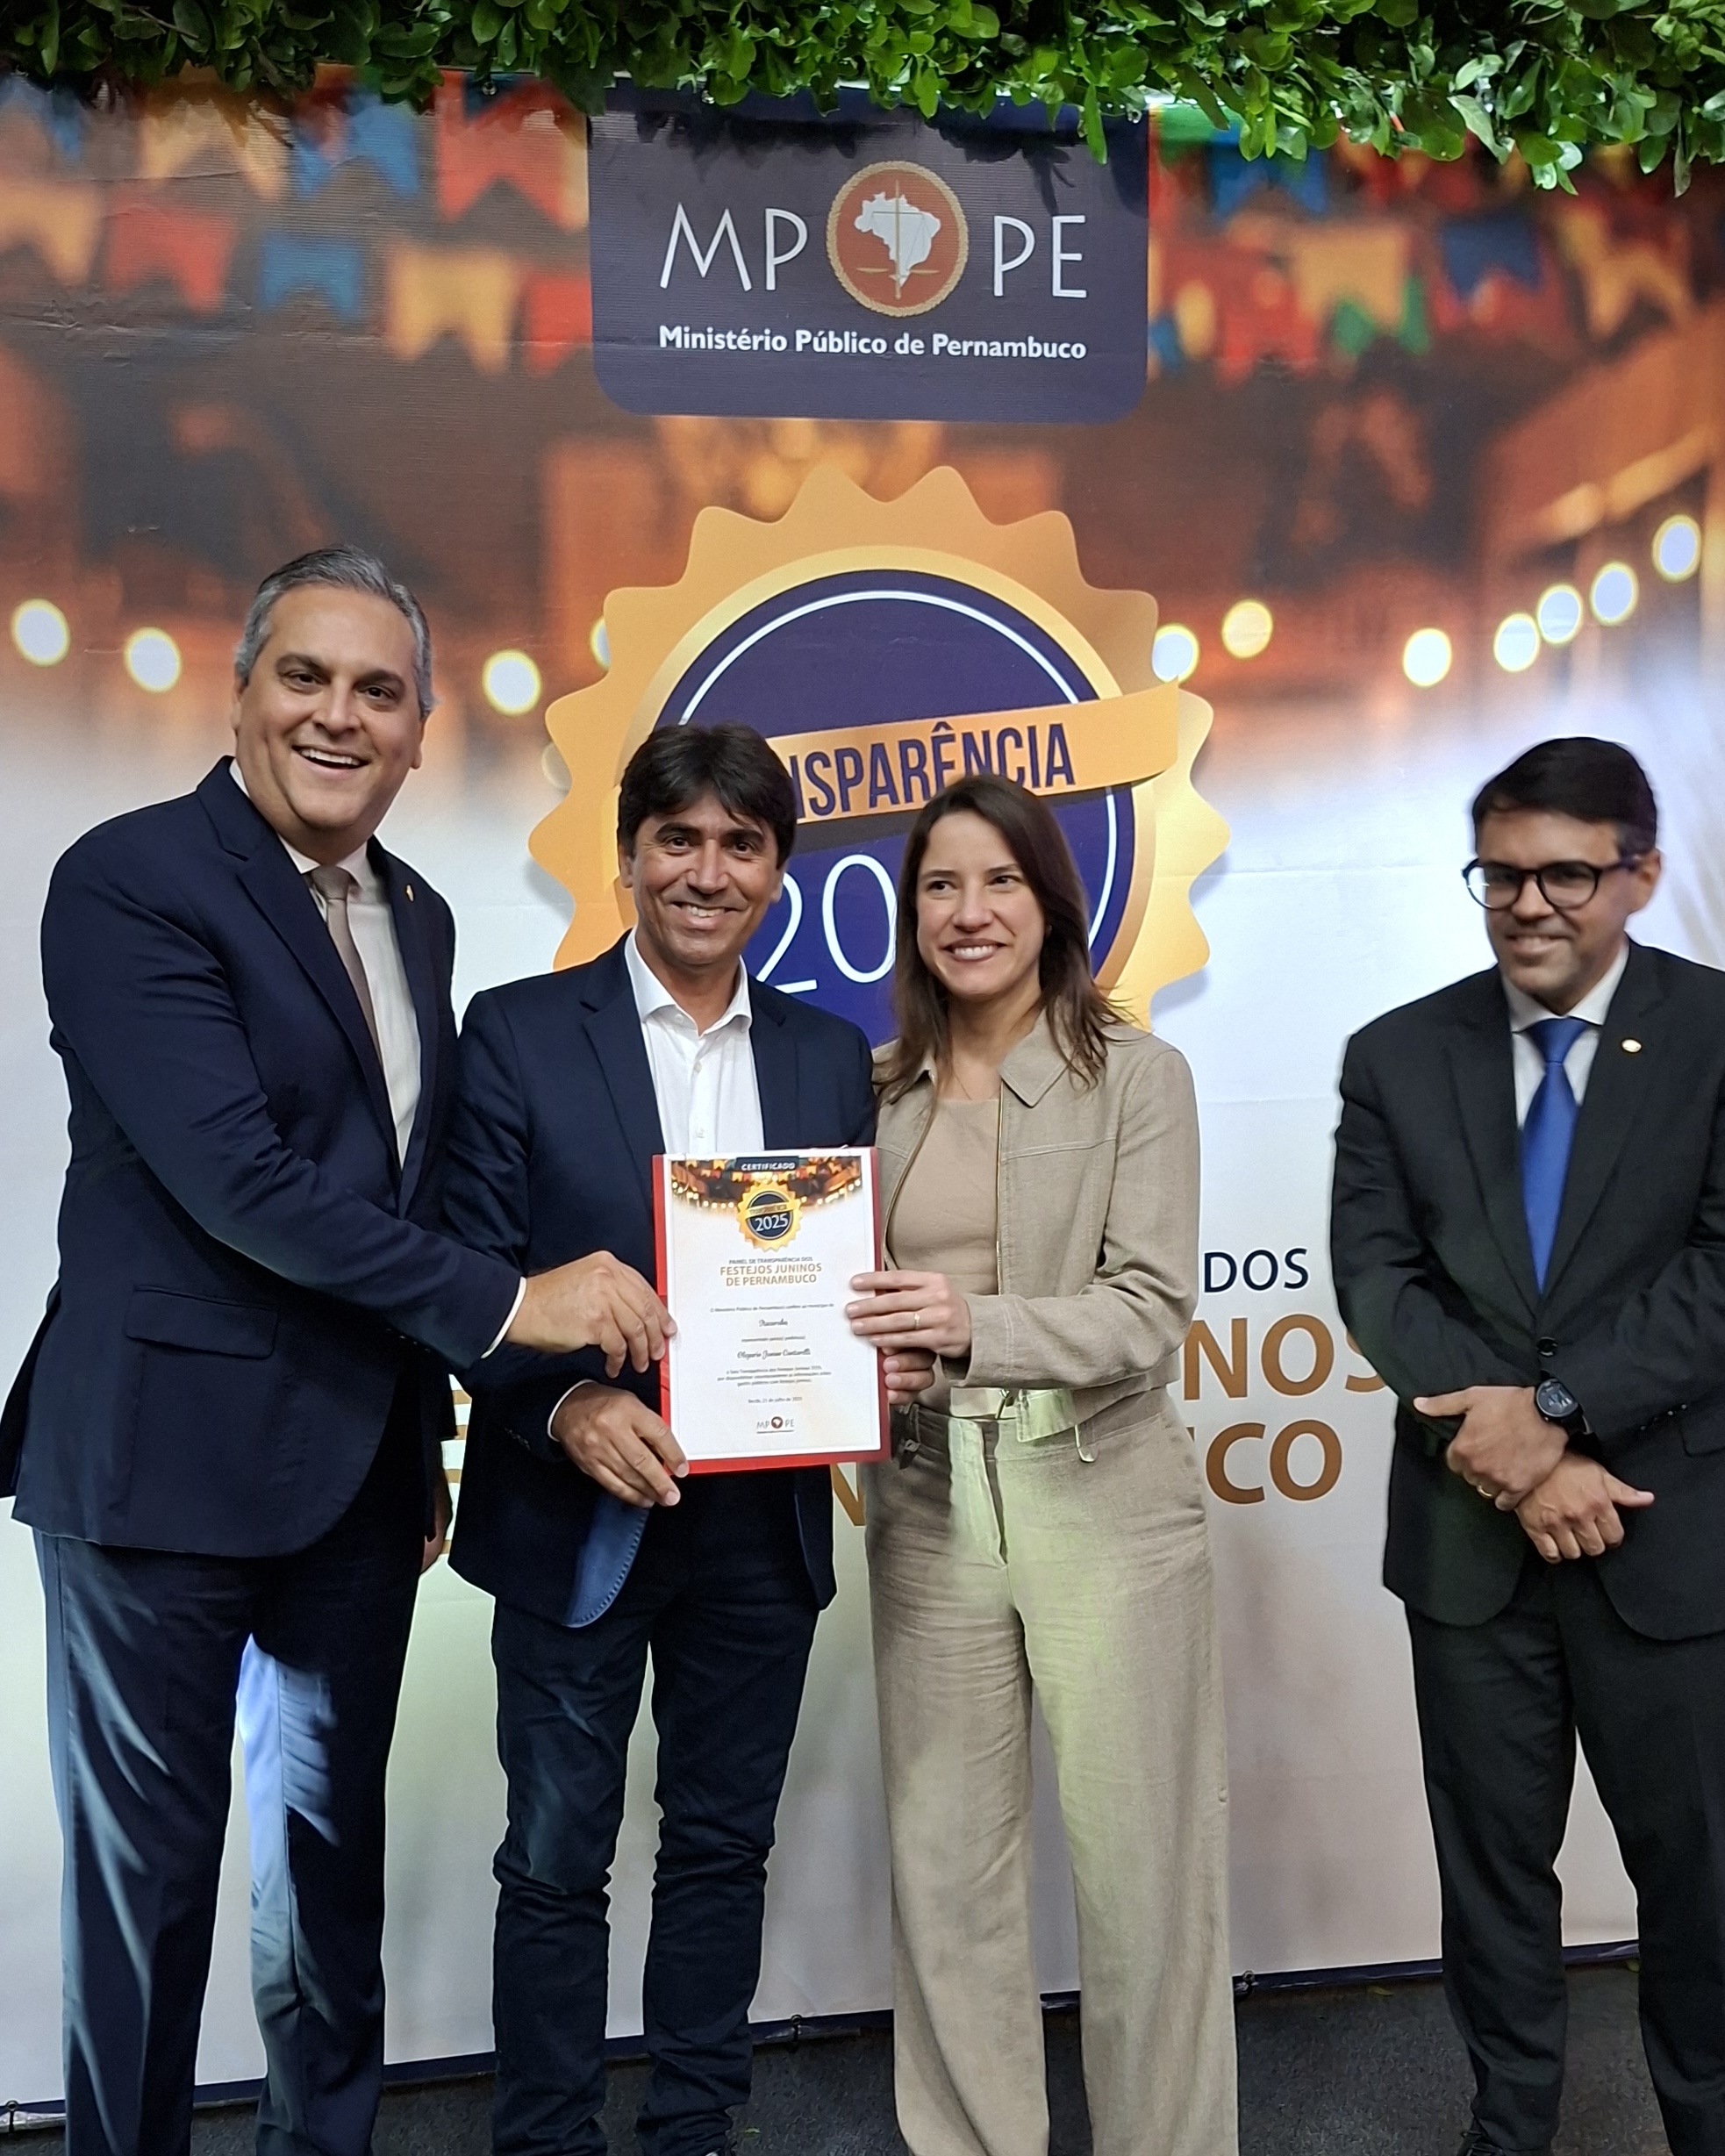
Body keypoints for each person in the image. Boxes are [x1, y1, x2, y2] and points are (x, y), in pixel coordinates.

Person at [0, 546, 669, 2156]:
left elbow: (396, 1190)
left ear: (423, 729)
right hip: (156, 1472)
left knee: (324, 1885)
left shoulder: (418, 915)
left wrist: (421, 1426)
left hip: (355, 1478)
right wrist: (514, 1305)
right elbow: (240, 1182)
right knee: (149, 1898)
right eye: (304, 676)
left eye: (380, 690)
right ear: (240, 692)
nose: (338, 715)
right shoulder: (130, 877)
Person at [441, 722, 932, 2156]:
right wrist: (564, 1403)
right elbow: (462, 1273)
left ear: (776, 871)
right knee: (554, 1856)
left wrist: (867, 1364)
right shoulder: (517, 1033)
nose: (706, 872)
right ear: (628, 856)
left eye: (740, 844)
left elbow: (838, 1279)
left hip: (760, 1523)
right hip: (571, 1512)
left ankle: (694, 2122)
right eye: (678, 840)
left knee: (722, 1844)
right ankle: (546, 2134)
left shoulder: (828, 1054)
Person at [1330, 737, 1725, 2156]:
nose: (1525, 905)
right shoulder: (1394, 1053)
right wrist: (1517, 1455)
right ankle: (1507, 2130)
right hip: (1468, 1546)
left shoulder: (1715, 1032)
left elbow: (1718, 1273)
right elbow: (1377, 1279)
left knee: (1702, 1880)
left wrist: (1554, 1415)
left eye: (1563, 873)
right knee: (1491, 1878)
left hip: (1668, 1537)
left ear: (1640, 873)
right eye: (1498, 874)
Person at [844, 772, 1237, 2156]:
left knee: (1146, 1884)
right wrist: (865, 1370)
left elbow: (1147, 1308)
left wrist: (970, 1328)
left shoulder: (1137, 1075)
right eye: (939, 885)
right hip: (923, 1501)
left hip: (1103, 1493)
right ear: (909, 914)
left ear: (1051, 903)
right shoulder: (872, 1088)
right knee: (946, 1873)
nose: (970, 911)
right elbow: (838, 1302)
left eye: (999, 880)